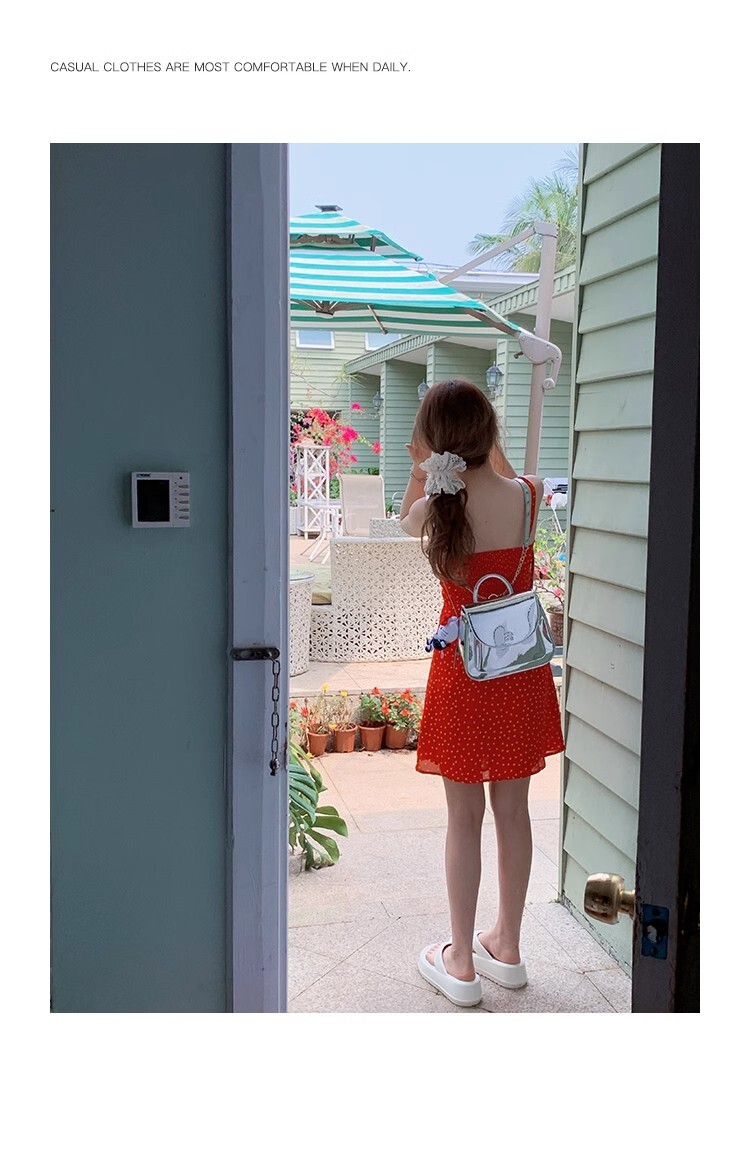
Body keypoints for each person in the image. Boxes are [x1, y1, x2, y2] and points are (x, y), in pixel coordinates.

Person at [400, 379, 565, 1007]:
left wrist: (424, 465)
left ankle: (463, 962)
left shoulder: (433, 511)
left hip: (464, 675)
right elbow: (506, 472)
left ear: (433, 441)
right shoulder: (528, 496)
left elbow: (407, 516)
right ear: (490, 431)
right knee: (514, 813)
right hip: (518, 671)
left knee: (463, 819)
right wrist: (481, 447)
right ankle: (509, 948)